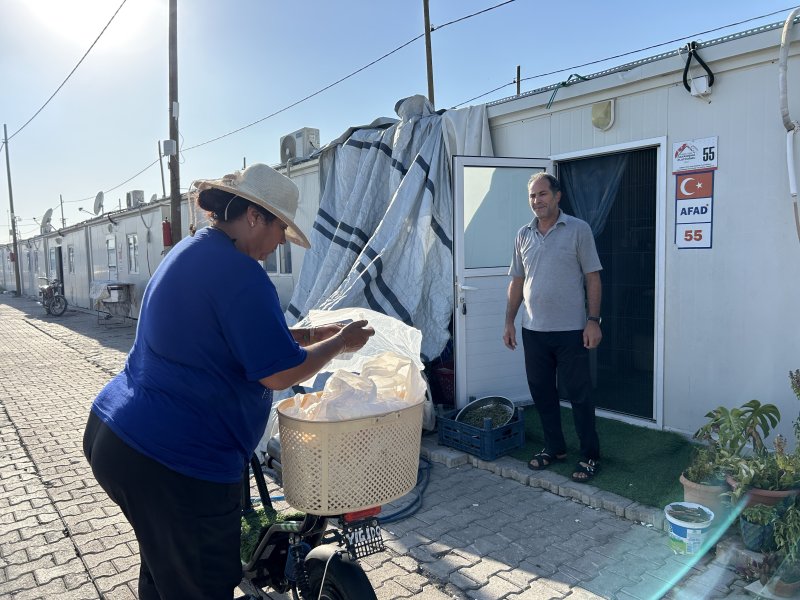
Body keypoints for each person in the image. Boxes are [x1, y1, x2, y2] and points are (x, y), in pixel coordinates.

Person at [82, 163, 374, 600]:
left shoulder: (194, 252)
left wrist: (309, 336)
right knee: (201, 586)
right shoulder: (241, 272)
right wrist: (341, 343)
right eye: (280, 230)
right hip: (174, 463)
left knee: (165, 568)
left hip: (119, 437)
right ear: (255, 216)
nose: (279, 243)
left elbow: (223, 336)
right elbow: (277, 373)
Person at [502, 172, 603, 484]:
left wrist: (593, 321)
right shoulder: (522, 234)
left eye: (542, 194)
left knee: (579, 395)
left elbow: (593, 278)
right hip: (534, 330)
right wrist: (509, 321)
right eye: (532, 196)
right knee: (542, 393)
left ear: (557, 196)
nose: (537, 201)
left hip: (572, 331)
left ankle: (589, 455)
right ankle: (555, 447)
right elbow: (517, 282)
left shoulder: (578, 230)